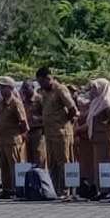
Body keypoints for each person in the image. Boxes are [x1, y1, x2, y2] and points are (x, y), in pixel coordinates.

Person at [36, 67, 78, 195]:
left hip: (61, 133)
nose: (40, 84)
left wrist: (64, 123)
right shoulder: (44, 92)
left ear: (48, 78)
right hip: (49, 133)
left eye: (41, 81)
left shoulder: (60, 89)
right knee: (52, 163)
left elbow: (72, 109)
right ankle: (55, 190)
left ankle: (67, 190)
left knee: (64, 162)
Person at [0, 76, 28, 199]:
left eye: (3, 87)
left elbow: (23, 122)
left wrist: (22, 136)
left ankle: (16, 189)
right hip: (2, 140)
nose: (0, 89)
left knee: (15, 166)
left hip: (13, 140)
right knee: (4, 166)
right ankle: (7, 189)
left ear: (10, 88)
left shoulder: (16, 103)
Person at [20, 80, 45, 169]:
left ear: (33, 88)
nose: (25, 91)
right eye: (23, 89)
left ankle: (41, 177)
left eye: (27, 88)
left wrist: (38, 119)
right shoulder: (23, 101)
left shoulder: (39, 99)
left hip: (37, 132)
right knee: (29, 157)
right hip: (27, 132)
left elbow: (47, 116)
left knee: (38, 155)